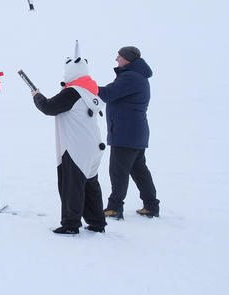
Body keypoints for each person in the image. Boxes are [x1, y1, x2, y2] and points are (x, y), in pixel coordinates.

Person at [31, 49, 108, 235]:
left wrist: (36, 96)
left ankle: (70, 224)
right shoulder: (90, 91)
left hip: (76, 147)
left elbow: (49, 107)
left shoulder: (73, 92)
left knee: (71, 186)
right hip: (92, 146)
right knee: (90, 186)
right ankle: (97, 222)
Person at [99, 46, 160, 219]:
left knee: (118, 171)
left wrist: (83, 86)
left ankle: (115, 208)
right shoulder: (136, 76)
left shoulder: (130, 77)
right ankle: (151, 206)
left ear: (128, 59)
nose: (116, 59)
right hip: (134, 133)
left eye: (119, 56)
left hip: (125, 134)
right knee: (139, 170)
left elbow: (107, 93)